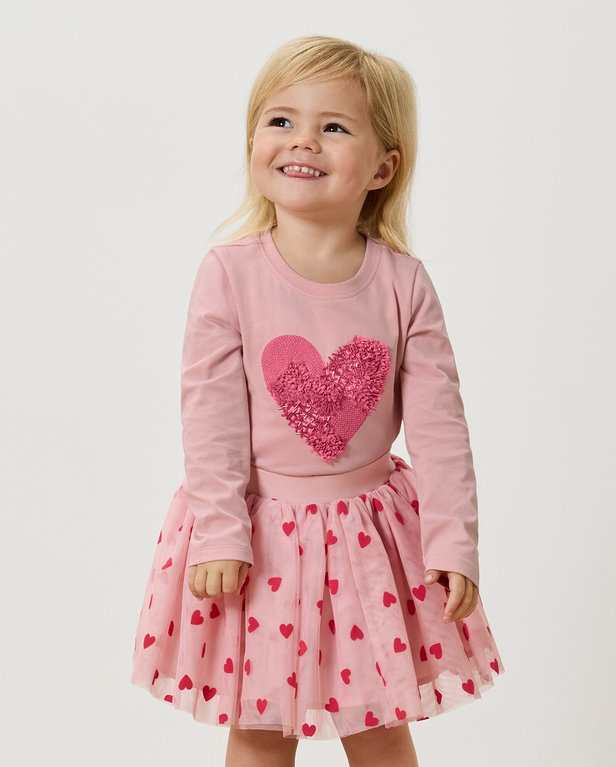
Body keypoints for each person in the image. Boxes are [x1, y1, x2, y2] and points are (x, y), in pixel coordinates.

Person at [131, 35, 502, 767]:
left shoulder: (404, 283)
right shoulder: (228, 273)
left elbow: (440, 426)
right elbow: (209, 418)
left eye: (334, 126)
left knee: (381, 725)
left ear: (383, 166)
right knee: (263, 728)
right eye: (281, 121)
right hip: (259, 537)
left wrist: (452, 540)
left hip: (370, 540)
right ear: (251, 142)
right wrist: (219, 530)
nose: (303, 139)